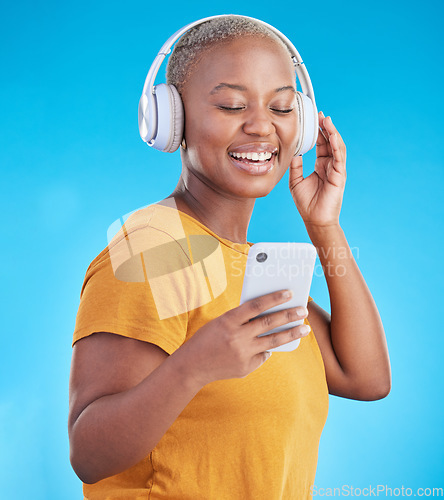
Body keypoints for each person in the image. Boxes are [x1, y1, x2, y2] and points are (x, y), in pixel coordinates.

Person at [68, 15, 391, 499]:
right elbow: (89, 455)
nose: (262, 125)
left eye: (282, 106)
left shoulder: (253, 263)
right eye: (232, 105)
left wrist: (324, 227)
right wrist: (193, 367)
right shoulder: (154, 246)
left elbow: (364, 377)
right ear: (170, 118)